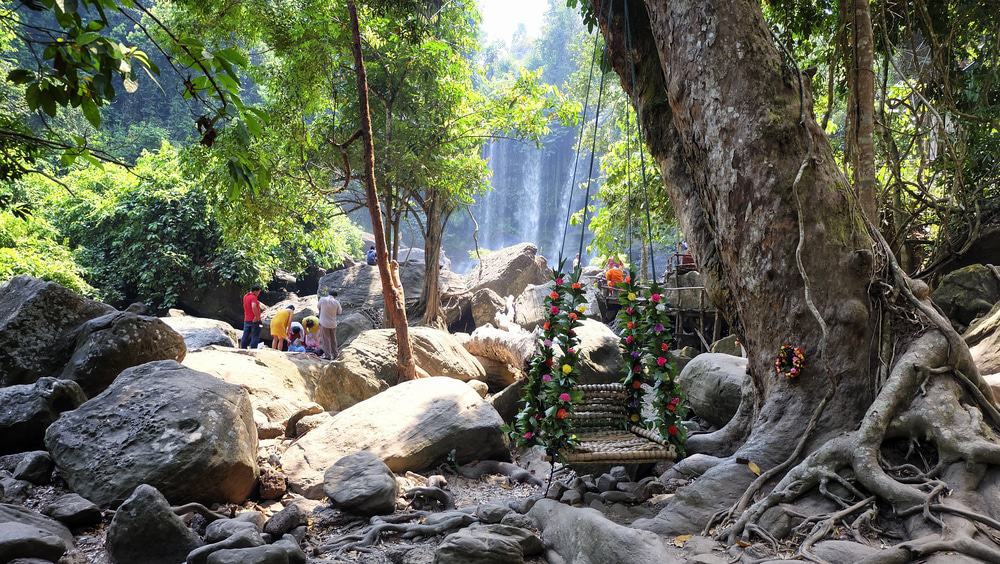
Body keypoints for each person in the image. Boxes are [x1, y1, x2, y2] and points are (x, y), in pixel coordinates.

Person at [317, 289, 343, 360]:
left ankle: (328, 356)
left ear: (329, 294)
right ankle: (335, 354)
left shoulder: (323, 299)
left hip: (324, 323)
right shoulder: (336, 302)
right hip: (333, 324)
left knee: (326, 340)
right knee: (333, 339)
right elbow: (340, 312)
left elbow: (318, 307)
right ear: (335, 296)